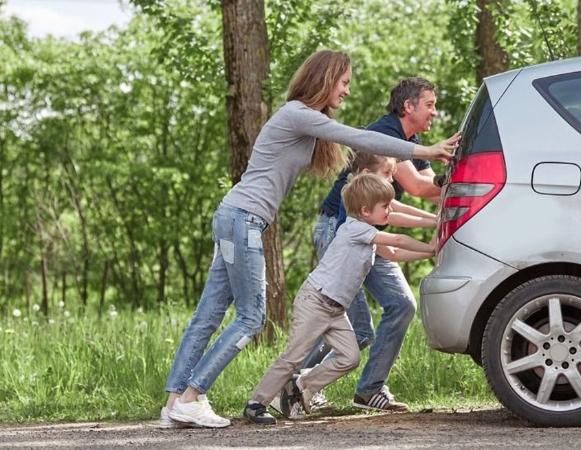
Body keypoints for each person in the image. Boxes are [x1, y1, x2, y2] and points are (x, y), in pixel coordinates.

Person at [160, 51, 458, 429]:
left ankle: (175, 403)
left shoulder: (303, 122)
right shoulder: (297, 113)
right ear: (326, 78)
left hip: (236, 216)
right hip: (243, 219)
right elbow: (359, 137)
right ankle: (191, 395)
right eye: (344, 82)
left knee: (209, 315)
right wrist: (424, 151)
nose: (347, 90)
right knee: (251, 318)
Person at [291, 77, 445, 414]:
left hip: (369, 230)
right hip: (340, 229)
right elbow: (420, 188)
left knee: (402, 304)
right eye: (430, 104)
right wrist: (466, 179)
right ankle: (294, 382)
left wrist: (441, 215)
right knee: (351, 326)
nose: (435, 112)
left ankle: (369, 389)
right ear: (409, 106)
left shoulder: (412, 141)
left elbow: (433, 188)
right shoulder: (386, 137)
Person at [244, 173, 436, 424]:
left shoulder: (369, 235)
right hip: (316, 301)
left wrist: (432, 251)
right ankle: (256, 403)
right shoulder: (355, 229)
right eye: (385, 206)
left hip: (335, 310)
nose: (390, 210)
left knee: (350, 357)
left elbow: (397, 252)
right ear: (365, 210)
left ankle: (302, 384)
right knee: (293, 356)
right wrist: (431, 247)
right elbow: (398, 238)